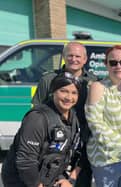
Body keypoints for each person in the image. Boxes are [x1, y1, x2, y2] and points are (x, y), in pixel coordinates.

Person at [32, 41, 96, 187]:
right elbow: (36, 112)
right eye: (70, 55)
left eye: (78, 56)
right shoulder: (48, 80)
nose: (74, 59)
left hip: (81, 147)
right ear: (63, 57)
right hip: (53, 145)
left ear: (85, 59)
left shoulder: (92, 82)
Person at [2, 72, 82, 187]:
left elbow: (71, 155)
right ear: (53, 92)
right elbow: (26, 161)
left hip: (48, 180)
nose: (69, 97)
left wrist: (68, 180)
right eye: (63, 91)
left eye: (74, 93)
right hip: (23, 181)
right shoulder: (37, 118)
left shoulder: (73, 118)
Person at [85, 45, 121, 187]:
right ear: (106, 64)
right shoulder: (97, 87)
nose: (119, 66)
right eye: (113, 62)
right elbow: (95, 124)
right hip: (107, 161)